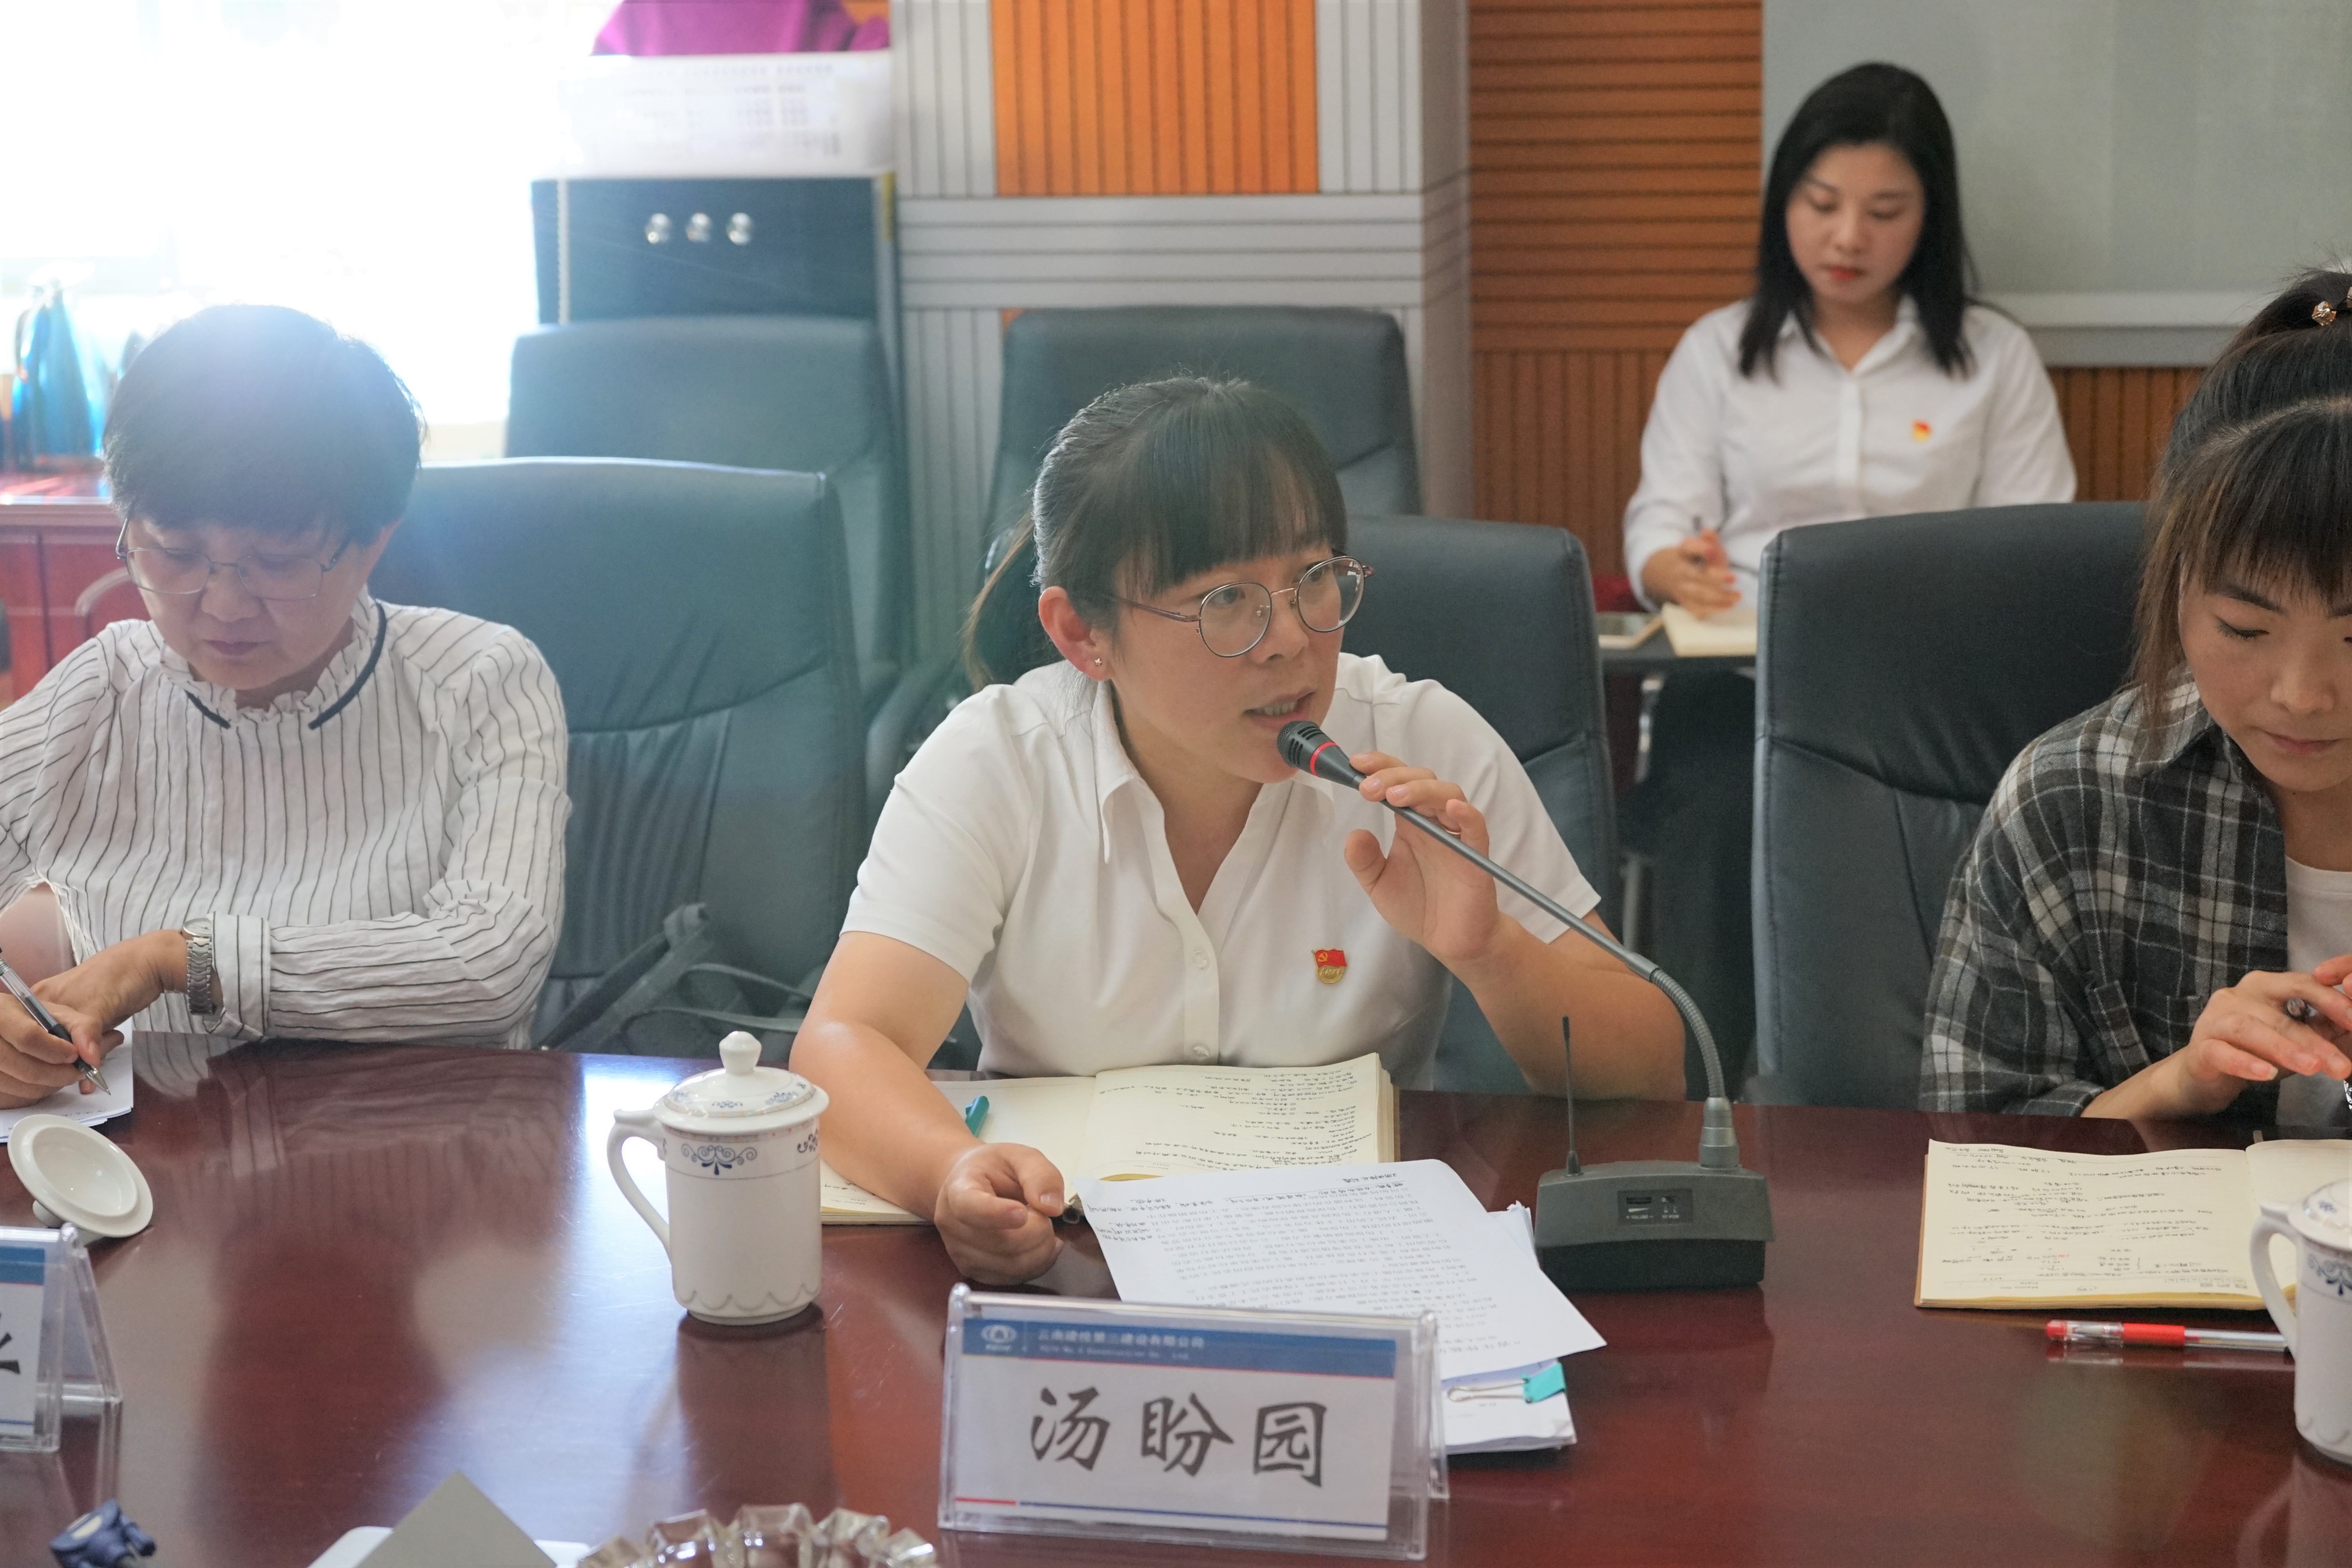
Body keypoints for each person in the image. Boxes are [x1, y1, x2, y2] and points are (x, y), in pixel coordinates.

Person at [793, 377, 1684, 1282]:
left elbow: (1653, 1070)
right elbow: (844, 1043)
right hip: (1068, 1253)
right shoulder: (999, 759)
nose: (1290, 638)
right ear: (1082, 632)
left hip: (1352, 1259)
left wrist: (1493, 948)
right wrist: (949, 1171)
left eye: (1314, 579)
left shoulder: (1420, 741)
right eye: (1226, 600)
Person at [1616, 62, 2074, 1083]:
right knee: (1711, 814)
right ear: (1784, 202)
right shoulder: (1718, 351)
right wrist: (1670, 565)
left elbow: (2032, 546)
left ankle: (1920, 1098)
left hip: (1931, 703)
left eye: (1885, 211)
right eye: (1822, 205)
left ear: (1931, 216)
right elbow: (1658, 519)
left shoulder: (1992, 360)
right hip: (1743, 688)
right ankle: (1699, 1099)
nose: (1848, 238)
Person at [0, 303, 569, 1107]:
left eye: (277, 562)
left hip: (425, 1158)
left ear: (375, 540)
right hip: (152, 1166)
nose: (224, 604)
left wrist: (182, 960)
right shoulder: (100, 694)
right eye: (178, 554)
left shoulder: (481, 681)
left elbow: (490, 966)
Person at [1923, 272, 2352, 1118]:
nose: (2303, 696)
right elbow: (1977, 1138)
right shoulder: (2074, 803)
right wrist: (2177, 1084)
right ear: (2174, 586)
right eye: (2244, 628)